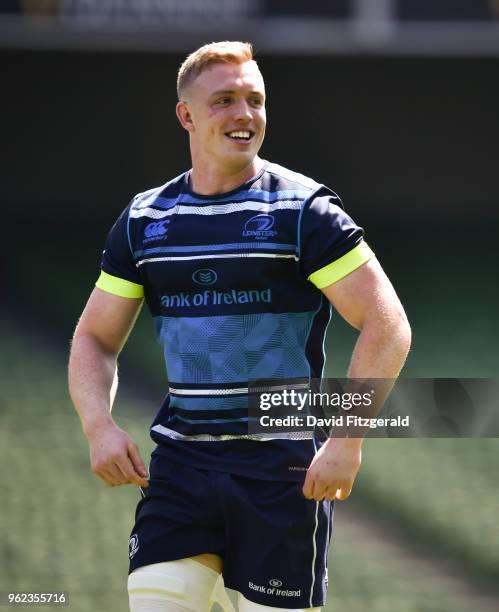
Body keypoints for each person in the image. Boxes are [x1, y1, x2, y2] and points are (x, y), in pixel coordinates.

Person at [68, 41, 411, 612]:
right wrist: (97, 426)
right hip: (181, 468)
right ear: (186, 115)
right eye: (224, 100)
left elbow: (386, 324)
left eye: (255, 100)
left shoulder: (306, 212)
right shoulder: (145, 220)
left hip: (281, 473)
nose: (244, 115)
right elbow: (94, 337)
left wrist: (347, 442)